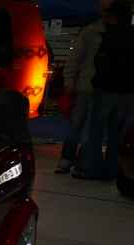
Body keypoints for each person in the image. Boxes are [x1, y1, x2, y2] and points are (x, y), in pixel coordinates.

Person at [74, 0, 134, 180]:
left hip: (106, 90)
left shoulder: (109, 35)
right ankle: (111, 170)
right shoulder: (131, 35)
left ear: (114, 16)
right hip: (127, 93)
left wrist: (95, 81)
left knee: (96, 132)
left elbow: (101, 63)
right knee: (117, 134)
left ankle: (94, 169)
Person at [56, 0, 113, 174]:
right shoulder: (91, 32)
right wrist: (69, 81)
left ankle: (72, 159)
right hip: (91, 87)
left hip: (91, 86)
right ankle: (75, 160)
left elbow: (74, 60)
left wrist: (69, 81)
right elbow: (75, 60)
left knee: (82, 125)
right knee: (83, 125)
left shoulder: (92, 32)